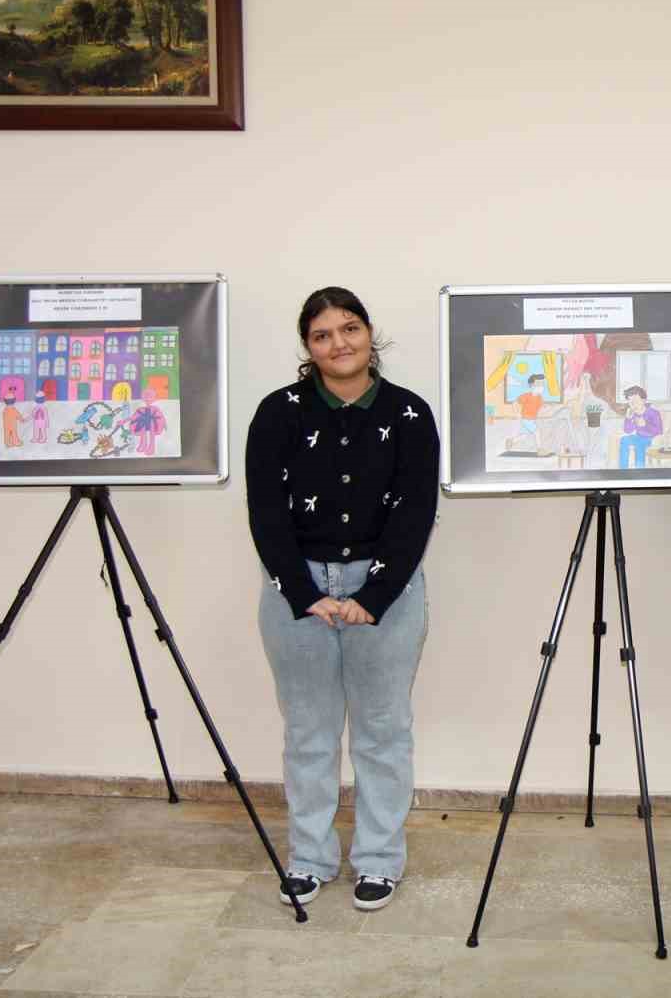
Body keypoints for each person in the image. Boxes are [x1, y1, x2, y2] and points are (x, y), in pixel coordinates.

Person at [246, 286, 439, 912]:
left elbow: (415, 513)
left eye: (349, 328)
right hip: (296, 591)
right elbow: (266, 513)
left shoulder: (410, 412)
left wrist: (375, 595)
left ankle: (379, 861)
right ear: (308, 347)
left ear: (368, 332)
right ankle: (309, 859)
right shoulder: (278, 412)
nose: (340, 344)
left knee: (382, 733)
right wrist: (303, 593)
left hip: (387, 591)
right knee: (309, 732)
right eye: (323, 335)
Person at [618, 384, 663, 467]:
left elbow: (659, 431)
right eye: (630, 402)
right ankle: (623, 468)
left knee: (639, 444)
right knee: (624, 439)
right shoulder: (633, 413)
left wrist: (645, 425)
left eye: (635, 401)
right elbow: (627, 430)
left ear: (643, 400)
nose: (633, 404)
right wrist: (628, 419)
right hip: (638, 436)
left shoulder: (653, 413)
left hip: (651, 438)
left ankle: (640, 468)